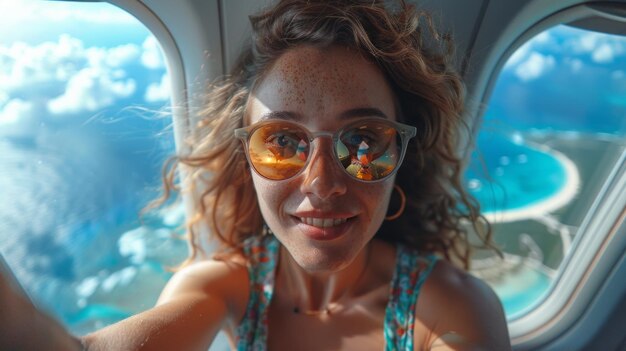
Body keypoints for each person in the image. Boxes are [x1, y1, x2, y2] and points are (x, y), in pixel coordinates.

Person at [0, 0, 511, 350]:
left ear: (400, 157)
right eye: (283, 142)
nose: (322, 184)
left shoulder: (456, 309)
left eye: (364, 140)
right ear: (246, 161)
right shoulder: (222, 285)